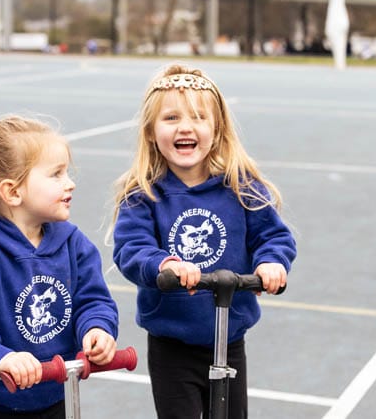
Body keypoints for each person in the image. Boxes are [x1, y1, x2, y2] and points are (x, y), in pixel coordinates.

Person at [111, 64, 296, 419]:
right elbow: (131, 248)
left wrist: (271, 262)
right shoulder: (144, 195)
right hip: (172, 344)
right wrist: (164, 265)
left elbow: (273, 235)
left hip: (229, 337)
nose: (185, 127)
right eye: (171, 118)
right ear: (150, 131)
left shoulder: (241, 187)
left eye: (198, 117)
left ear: (217, 128)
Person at [0, 115, 119, 419]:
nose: (69, 183)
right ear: (13, 192)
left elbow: (93, 299)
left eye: (66, 172)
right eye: (56, 174)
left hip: (55, 393)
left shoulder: (73, 244)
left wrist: (96, 328)